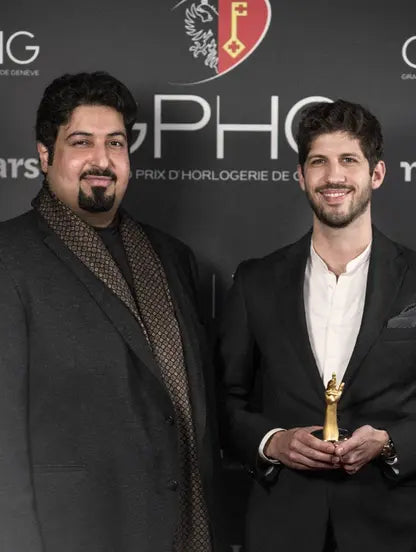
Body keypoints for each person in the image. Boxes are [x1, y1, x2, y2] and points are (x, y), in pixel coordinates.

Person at [0, 71, 221, 552]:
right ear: (45, 155)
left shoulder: (172, 257)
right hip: (75, 535)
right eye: (81, 142)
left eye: (115, 143)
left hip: (182, 530)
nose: (101, 160)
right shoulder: (8, 258)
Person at [219, 99, 416, 552]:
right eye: (318, 162)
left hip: (394, 528)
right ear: (301, 176)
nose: (333, 176)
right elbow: (224, 400)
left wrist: (391, 443)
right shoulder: (255, 281)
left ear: (377, 174)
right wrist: (273, 442)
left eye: (348, 160)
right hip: (282, 528)